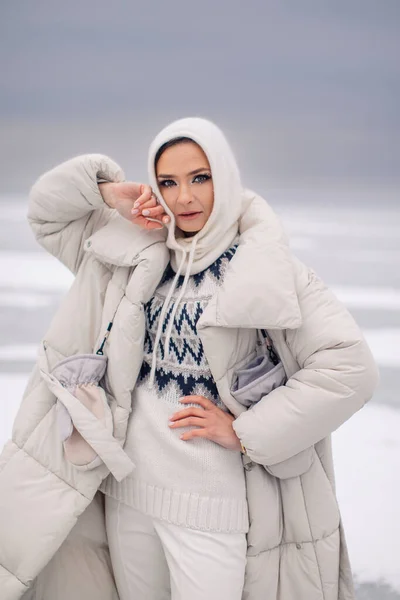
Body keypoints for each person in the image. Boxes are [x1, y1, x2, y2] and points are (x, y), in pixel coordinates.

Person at [0, 117, 379, 600]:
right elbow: (46, 214)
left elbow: (350, 368)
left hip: (212, 511)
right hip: (127, 497)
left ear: (225, 176)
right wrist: (109, 192)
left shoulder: (265, 268)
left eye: (200, 178)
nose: (184, 198)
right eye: (168, 182)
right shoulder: (131, 252)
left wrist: (245, 432)